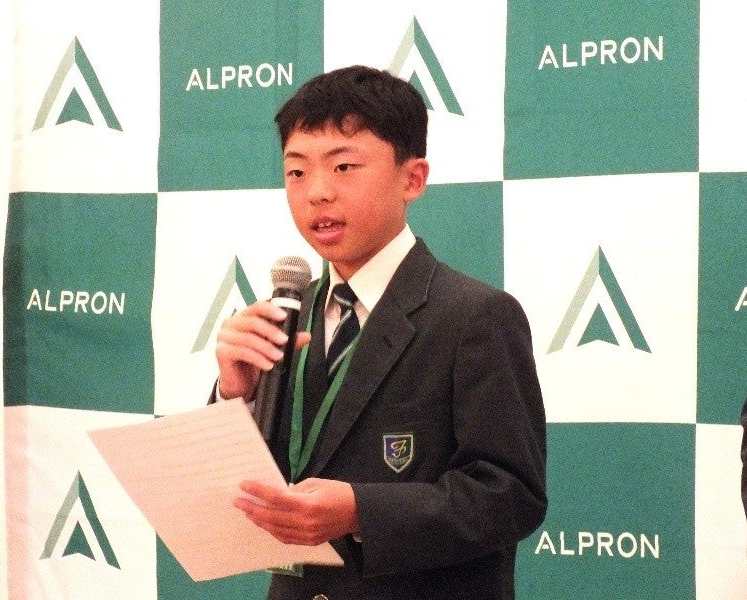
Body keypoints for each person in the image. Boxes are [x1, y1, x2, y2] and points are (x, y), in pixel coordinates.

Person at [214, 65, 547, 599]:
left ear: (412, 179)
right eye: (296, 172)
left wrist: (359, 511)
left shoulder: (476, 316)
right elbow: (246, 490)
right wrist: (236, 396)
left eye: (344, 166)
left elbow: (510, 496)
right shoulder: (285, 315)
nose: (317, 193)